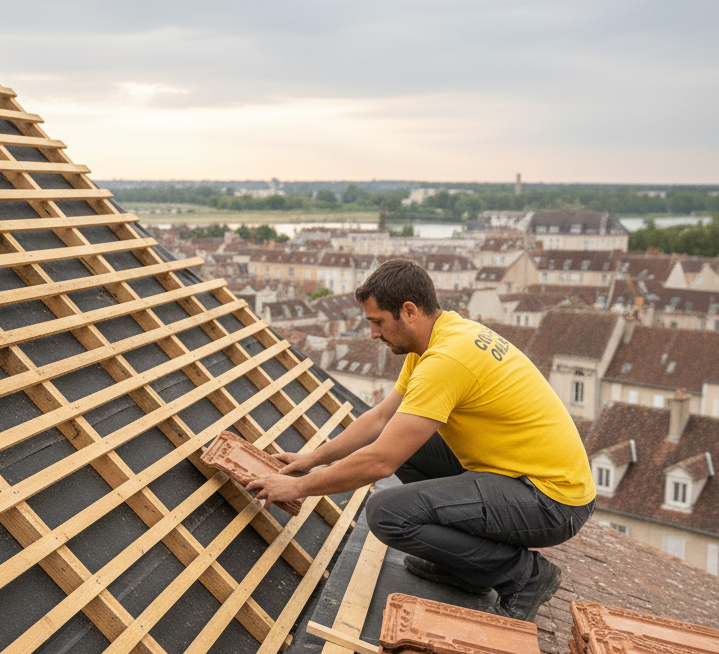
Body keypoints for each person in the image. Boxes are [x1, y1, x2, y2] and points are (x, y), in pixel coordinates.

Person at [246, 257, 595, 622]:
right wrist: (311, 459)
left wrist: (298, 488)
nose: (373, 334)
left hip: (552, 501)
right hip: (519, 476)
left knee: (387, 514)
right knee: (409, 444)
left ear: (409, 311)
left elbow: (381, 461)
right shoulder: (438, 338)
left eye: (378, 322)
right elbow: (381, 419)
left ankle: (525, 576)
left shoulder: (446, 360)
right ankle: (466, 566)